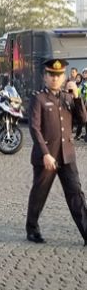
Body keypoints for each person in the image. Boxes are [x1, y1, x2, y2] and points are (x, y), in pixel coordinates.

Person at [25, 58, 87, 245]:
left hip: (67, 155)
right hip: (47, 156)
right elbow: (34, 128)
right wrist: (45, 153)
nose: (55, 78)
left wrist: (77, 97)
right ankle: (32, 228)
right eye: (51, 75)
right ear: (45, 77)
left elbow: (83, 119)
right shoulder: (39, 98)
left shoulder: (68, 97)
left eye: (58, 75)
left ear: (64, 77)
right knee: (39, 193)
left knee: (76, 193)